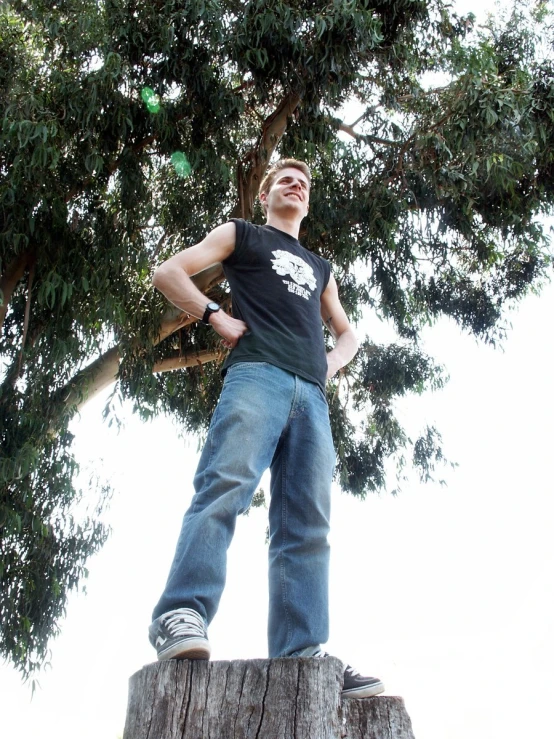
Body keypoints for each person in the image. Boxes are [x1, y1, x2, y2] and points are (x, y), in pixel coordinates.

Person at [149, 159, 384, 699]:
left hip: (312, 396)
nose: (295, 184)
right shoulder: (243, 235)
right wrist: (214, 314)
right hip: (257, 376)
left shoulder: (321, 268)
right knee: (224, 487)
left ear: (307, 199)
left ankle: (303, 653)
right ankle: (181, 614)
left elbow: (348, 334)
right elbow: (168, 273)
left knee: (307, 522)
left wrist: (328, 363)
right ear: (267, 193)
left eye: (303, 182)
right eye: (285, 178)